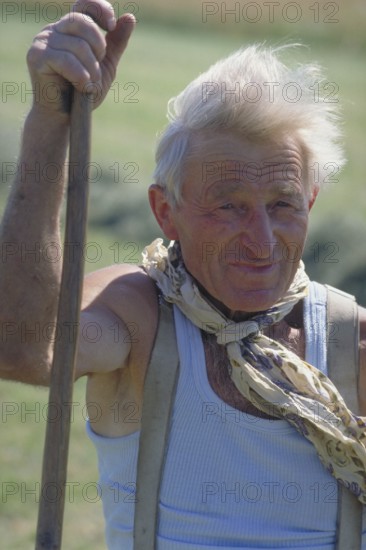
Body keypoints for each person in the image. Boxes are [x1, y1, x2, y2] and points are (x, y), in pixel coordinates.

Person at [0, 0, 365, 548]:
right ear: (164, 211)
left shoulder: (349, 340)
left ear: (310, 202)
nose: (262, 241)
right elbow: (22, 347)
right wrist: (52, 123)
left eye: (283, 204)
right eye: (228, 206)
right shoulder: (140, 316)